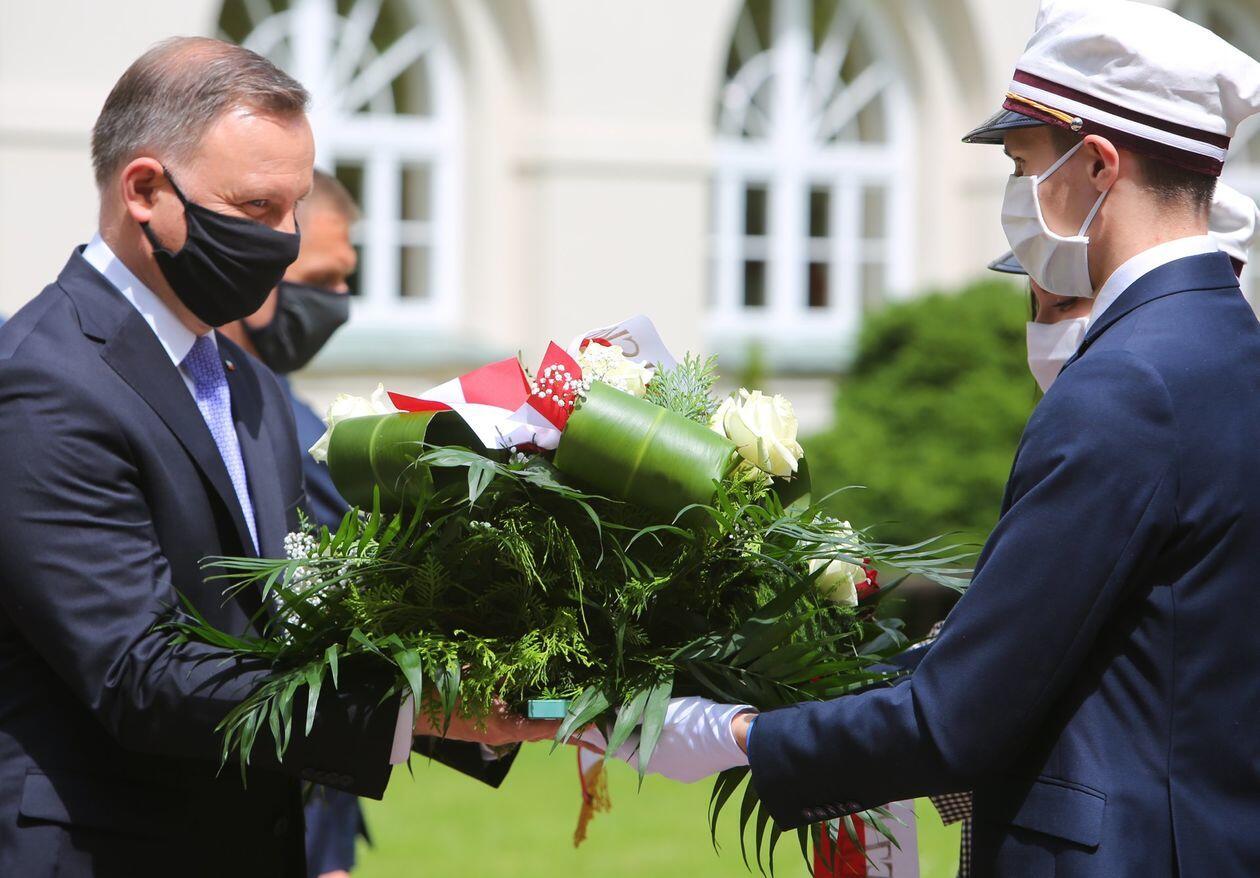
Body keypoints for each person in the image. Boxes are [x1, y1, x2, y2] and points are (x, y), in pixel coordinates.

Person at [634, 2, 1260, 874]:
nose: (1017, 196)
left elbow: (956, 718)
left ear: (1097, 164)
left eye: (1024, 163)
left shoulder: (1126, 385)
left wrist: (731, 732)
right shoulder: (1231, 352)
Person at [0, 37, 553, 878]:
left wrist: (498, 678)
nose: (285, 242)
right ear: (144, 190)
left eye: (293, 207)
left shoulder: (246, 383)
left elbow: (292, 623)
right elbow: (138, 672)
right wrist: (414, 710)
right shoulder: (45, 381)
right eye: (256, 207)